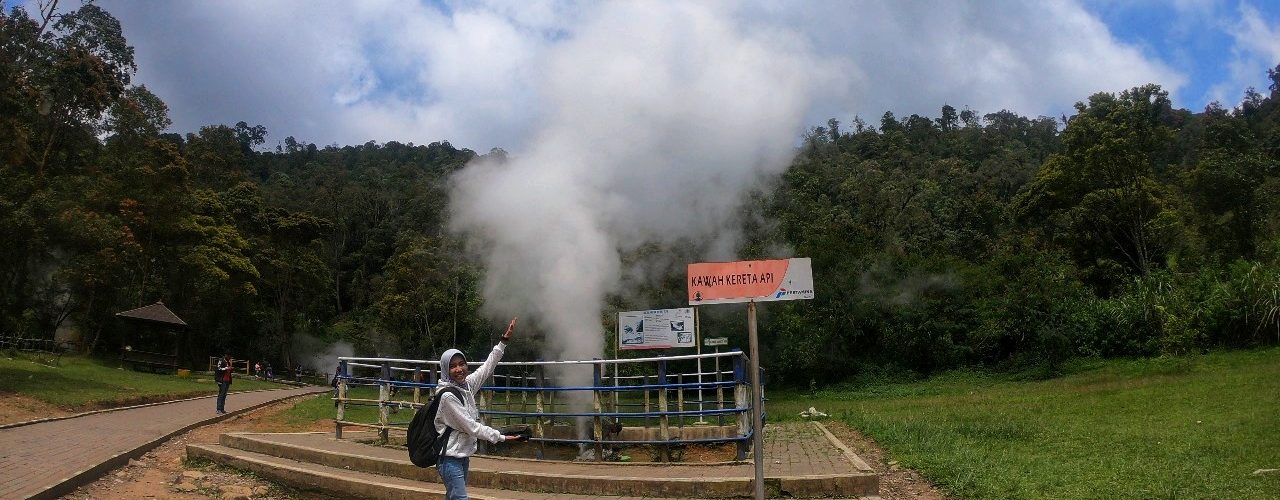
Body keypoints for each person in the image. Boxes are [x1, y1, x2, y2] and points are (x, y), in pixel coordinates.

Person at [436, 318, 523, 500]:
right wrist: (501, 437)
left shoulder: (466, 386)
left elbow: (487, 368)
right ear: (445, 369)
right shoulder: (447, 396)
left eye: (462, 364)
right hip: (449, 459)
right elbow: (471, 427)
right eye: (453, 366)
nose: (459, 369)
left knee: (453, 497)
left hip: (462, 456)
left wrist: (503, 341)